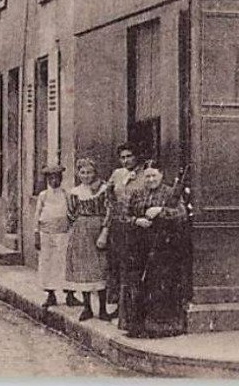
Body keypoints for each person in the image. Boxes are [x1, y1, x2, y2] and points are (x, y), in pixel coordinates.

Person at [118, 164, 190, 338]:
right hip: (139, 245)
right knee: (137, 284)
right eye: (148, 176)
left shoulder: (170, 193)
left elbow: (181, 214)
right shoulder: (136, 194)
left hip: (163, 246)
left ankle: (161, 326)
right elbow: (122, 217)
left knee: (160, 284)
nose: (151, 180)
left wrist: (161, 211)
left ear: (161, 175)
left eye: (154, 176)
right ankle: (137, 325)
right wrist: (137, 221)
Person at [102, 143, 147, 320]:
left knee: (133, 268)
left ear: (136, 157)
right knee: (117, 266)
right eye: (123, 157)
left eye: (129, 156)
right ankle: (119, 308)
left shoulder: (145, 174)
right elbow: (109, 196)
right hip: (118, 225)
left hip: (137, 226)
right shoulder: (117, 174)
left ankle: (133, 310)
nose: (126, 160)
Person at [65, 157, 110, 321]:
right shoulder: (75, 192)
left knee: (101, 267)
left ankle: (103, 309)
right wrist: (77, 228)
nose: (86, 176)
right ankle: (87, 307)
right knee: (84, 269)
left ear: (95, 172)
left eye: (89, 172)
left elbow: (109, 211)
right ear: (78, 174)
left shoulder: (104, 189)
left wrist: (104, 231)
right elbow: (70, 214)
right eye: (82, 172)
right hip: (81, 233)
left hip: (99, 230)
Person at [33, 166, 70, 309]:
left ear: (61, 179)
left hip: (62, 232)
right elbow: (37, 215)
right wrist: (36, 233)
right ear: (47, 180)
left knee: (63, 262)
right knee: (47, 262)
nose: (54, 181)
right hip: (46, 233)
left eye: (57, 178)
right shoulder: (43, 195)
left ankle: (69, 294)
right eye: (51, 178)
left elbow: (70, 213)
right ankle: (50, 294)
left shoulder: (65, 194)